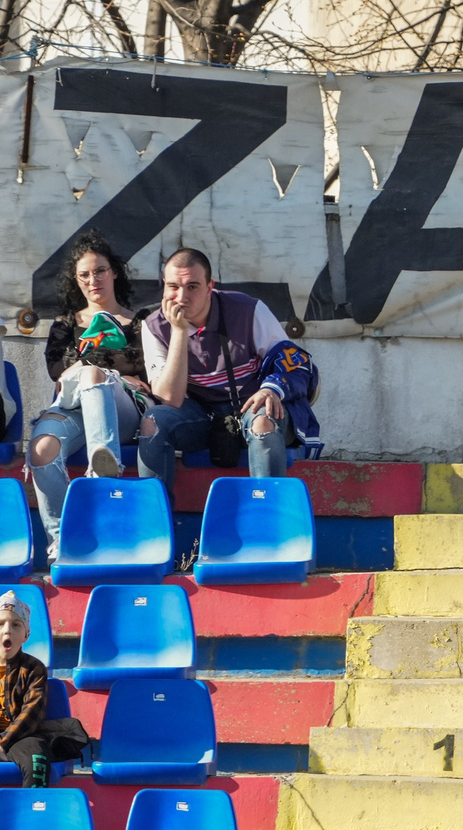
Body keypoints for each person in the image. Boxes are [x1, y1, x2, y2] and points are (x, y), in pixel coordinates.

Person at [139, 248, 315, 483]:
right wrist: (179, 332)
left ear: (210, 287)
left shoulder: (247, 310)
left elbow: (294, 362)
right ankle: (155, 515)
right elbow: (171, 398)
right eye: (173, 287)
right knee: (153, 422)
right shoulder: (154, 326)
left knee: (263, 421)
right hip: (203, 418)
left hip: (254, 407)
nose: (181, 298)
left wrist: (271, 389)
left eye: (192, 287)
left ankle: (266, 513)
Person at [28, 232, 147, 555]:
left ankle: (101, 479)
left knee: (92, 375)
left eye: (100, 271)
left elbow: (145, 368)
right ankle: (63, 538)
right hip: (75, 407)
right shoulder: (65, 324)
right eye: (84, 274)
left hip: (120, 409)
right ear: (76, 281)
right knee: (42, 449)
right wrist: (122, 370)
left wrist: (94, 368)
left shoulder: (139, 322)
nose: (93, 279)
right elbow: (57, 369)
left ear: (115, 273)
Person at [0, 593, 84, 784]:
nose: (7, 631)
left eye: (16, 625)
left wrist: (3, 742)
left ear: (26, 634)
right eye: (1, 624)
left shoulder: (33, 668)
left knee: (37, 757)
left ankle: (34, 809)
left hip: (19, 737)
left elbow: (32, 713)